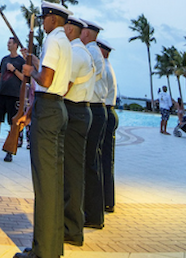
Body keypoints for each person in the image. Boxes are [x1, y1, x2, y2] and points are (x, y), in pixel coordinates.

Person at [15, 1, 72, 258]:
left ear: (52, 20)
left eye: (44, 18)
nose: (42, 22)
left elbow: (45, 79)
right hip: (58, 107)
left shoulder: (52, 40)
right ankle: (51, 246)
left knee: (44, 183)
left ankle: (42, 252)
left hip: (48, 111)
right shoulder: (66, 43)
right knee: (54, 181)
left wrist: (30, 70)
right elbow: (60, 81)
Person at [63, 16, 95, 247]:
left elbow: (63, 87)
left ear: (70, 28)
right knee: (74, 172)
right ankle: (72, 224)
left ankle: (71, 227)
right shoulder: (82, 52)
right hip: (79, 111)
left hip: (74, 112)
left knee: (72, 174)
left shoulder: (75, 53)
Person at [80, 18, 108, 230]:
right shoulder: (96, 52)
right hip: (99, 110)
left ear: (87, 34)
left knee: (89, 165)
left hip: (95, 108)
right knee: (92, 164)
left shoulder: (90, 52)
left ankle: (92, 214)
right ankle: (93, 214)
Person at [0, 37, 25, 162]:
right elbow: (0, 76)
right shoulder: (4, 59)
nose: (8, 44)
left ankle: (9, 151)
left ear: (15, 45)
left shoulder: (20, 61)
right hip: (1, 94)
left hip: (14, 96)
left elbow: (24, 78)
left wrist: (14, 70)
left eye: (10, 43)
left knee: (12, 124)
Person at [97, 38, 119, 214]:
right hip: (110, 112)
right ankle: (107, 199)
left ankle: (106, 200)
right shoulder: (107, 66)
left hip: (106, 112)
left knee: (104, 159)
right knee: (107, 159)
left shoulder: (103, 68)